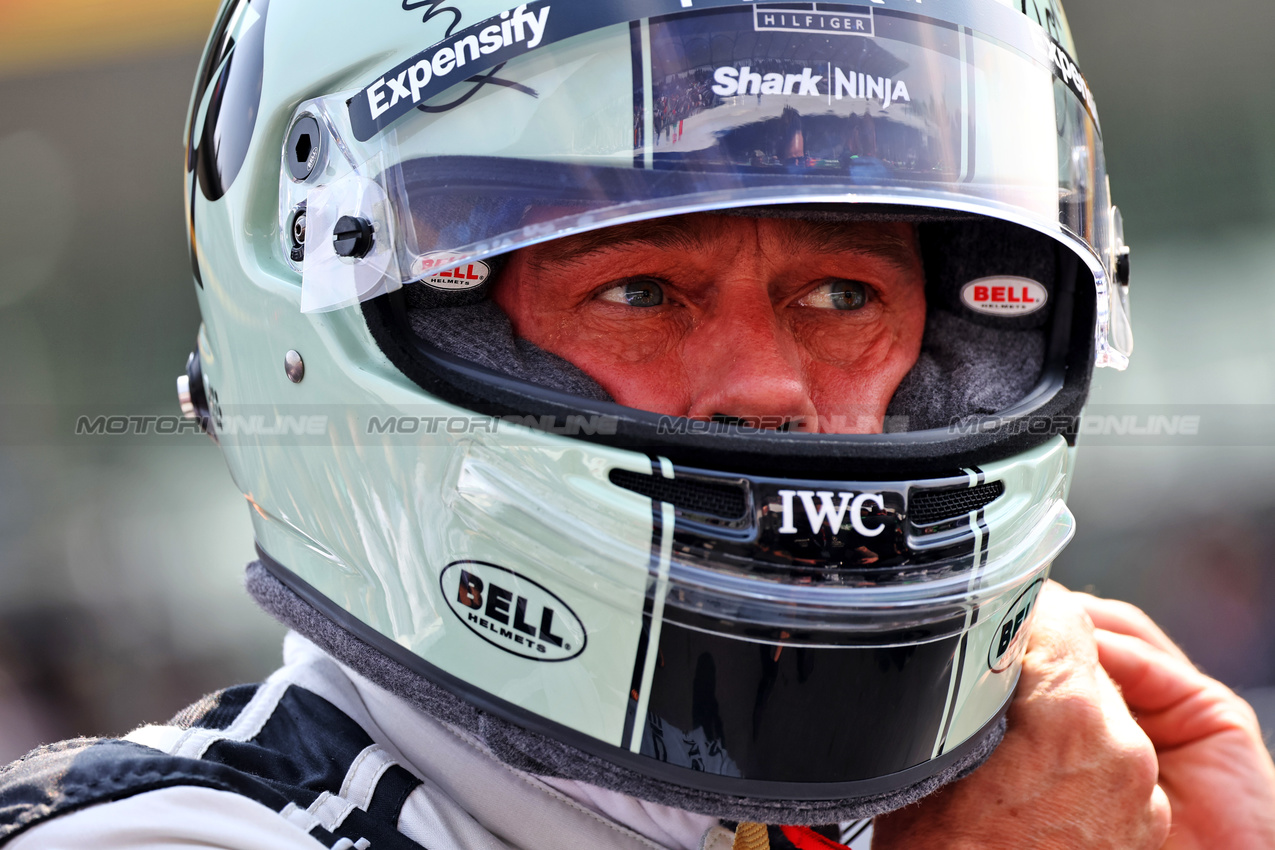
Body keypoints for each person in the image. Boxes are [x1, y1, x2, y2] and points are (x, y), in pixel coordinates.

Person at [3, 0, 1275, 848]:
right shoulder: (150, 834)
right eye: (641, 291)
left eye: (843, 294)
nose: (771, 387)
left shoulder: (1071, 797)